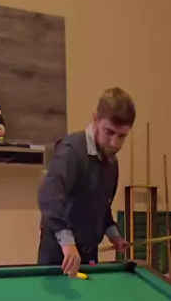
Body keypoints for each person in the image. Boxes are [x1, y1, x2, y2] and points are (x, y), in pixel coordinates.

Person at [38, 87, 135, 277]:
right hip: (59, 255)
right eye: (109, 132)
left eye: (122, 136)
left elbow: (101, 206)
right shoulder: (70, 151)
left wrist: (114, 235)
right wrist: (68, 244)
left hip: (89, 255)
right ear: (95, 119)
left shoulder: (111, 162)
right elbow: (49, 198)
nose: (115, 143)